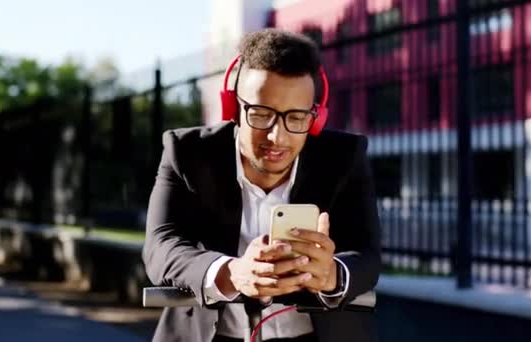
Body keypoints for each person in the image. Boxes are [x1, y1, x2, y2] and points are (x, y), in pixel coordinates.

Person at [142, 28, 381, 342]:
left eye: (296, 117)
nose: (276, 137)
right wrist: (231, 273)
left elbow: (367, 254)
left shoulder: (345, 157)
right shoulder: (185, 152)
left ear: (316, 116)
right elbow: (161, 245)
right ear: (233, 108)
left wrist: (332, 273)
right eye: (261, 113)